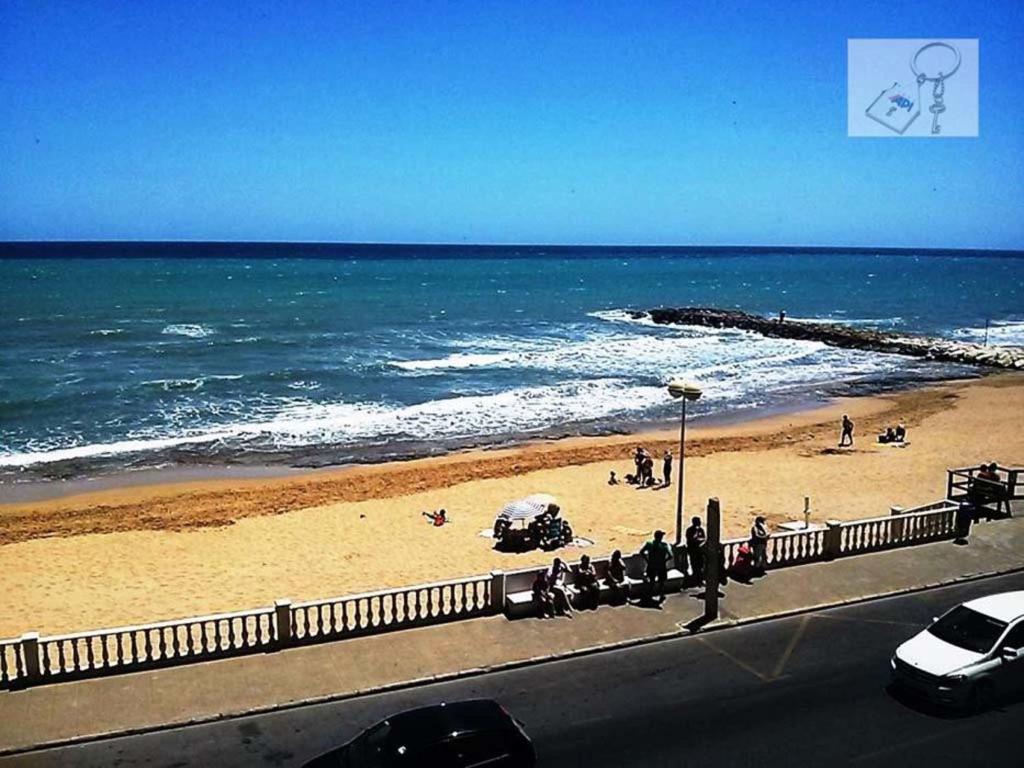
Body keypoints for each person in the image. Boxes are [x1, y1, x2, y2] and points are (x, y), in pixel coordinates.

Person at [639, 530, 672, 601]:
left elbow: (641, 552)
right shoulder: (664, 546)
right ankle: (661, 595)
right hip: (661, 566)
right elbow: (670, 556)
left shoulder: (649, 544)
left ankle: (649, 594)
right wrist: (664, 561)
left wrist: (647, 560)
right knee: (661, 582)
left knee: (652, 581)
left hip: (651, 565)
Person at [685, 516, 707, 584]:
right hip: (693, 551)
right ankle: (696, 579)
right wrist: (697, 539)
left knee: (701, 564)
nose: (699, 523)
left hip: (700, 551)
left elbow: (704, 538)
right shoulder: (689, 530)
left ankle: (699, 578)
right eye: (698, 522)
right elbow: (690, 540)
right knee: (694, 565)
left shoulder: (701, 530)